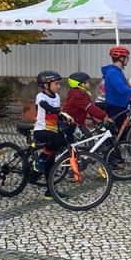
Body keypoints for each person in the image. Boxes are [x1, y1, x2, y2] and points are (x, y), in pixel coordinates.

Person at [32, 70, 74, 200]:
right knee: (55, 141)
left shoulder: (56, 97)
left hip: (52, 129)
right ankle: (40, 159)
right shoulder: (41, 96)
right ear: (45, 85)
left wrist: (66, 120)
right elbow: (47, 107)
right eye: (56, 84)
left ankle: (50, 191)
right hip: (41, 130)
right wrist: (58, 113)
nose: (59, 86)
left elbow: (57, 115)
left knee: (53, 157)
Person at [102, 46, 131, 131]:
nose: (128, 60)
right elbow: (122, 89)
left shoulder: (117, 71)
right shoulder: (113, 73)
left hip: (120, 105)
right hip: (115, 107)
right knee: (117, 133)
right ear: (121, 58)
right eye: (127, 58)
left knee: (121, 132)